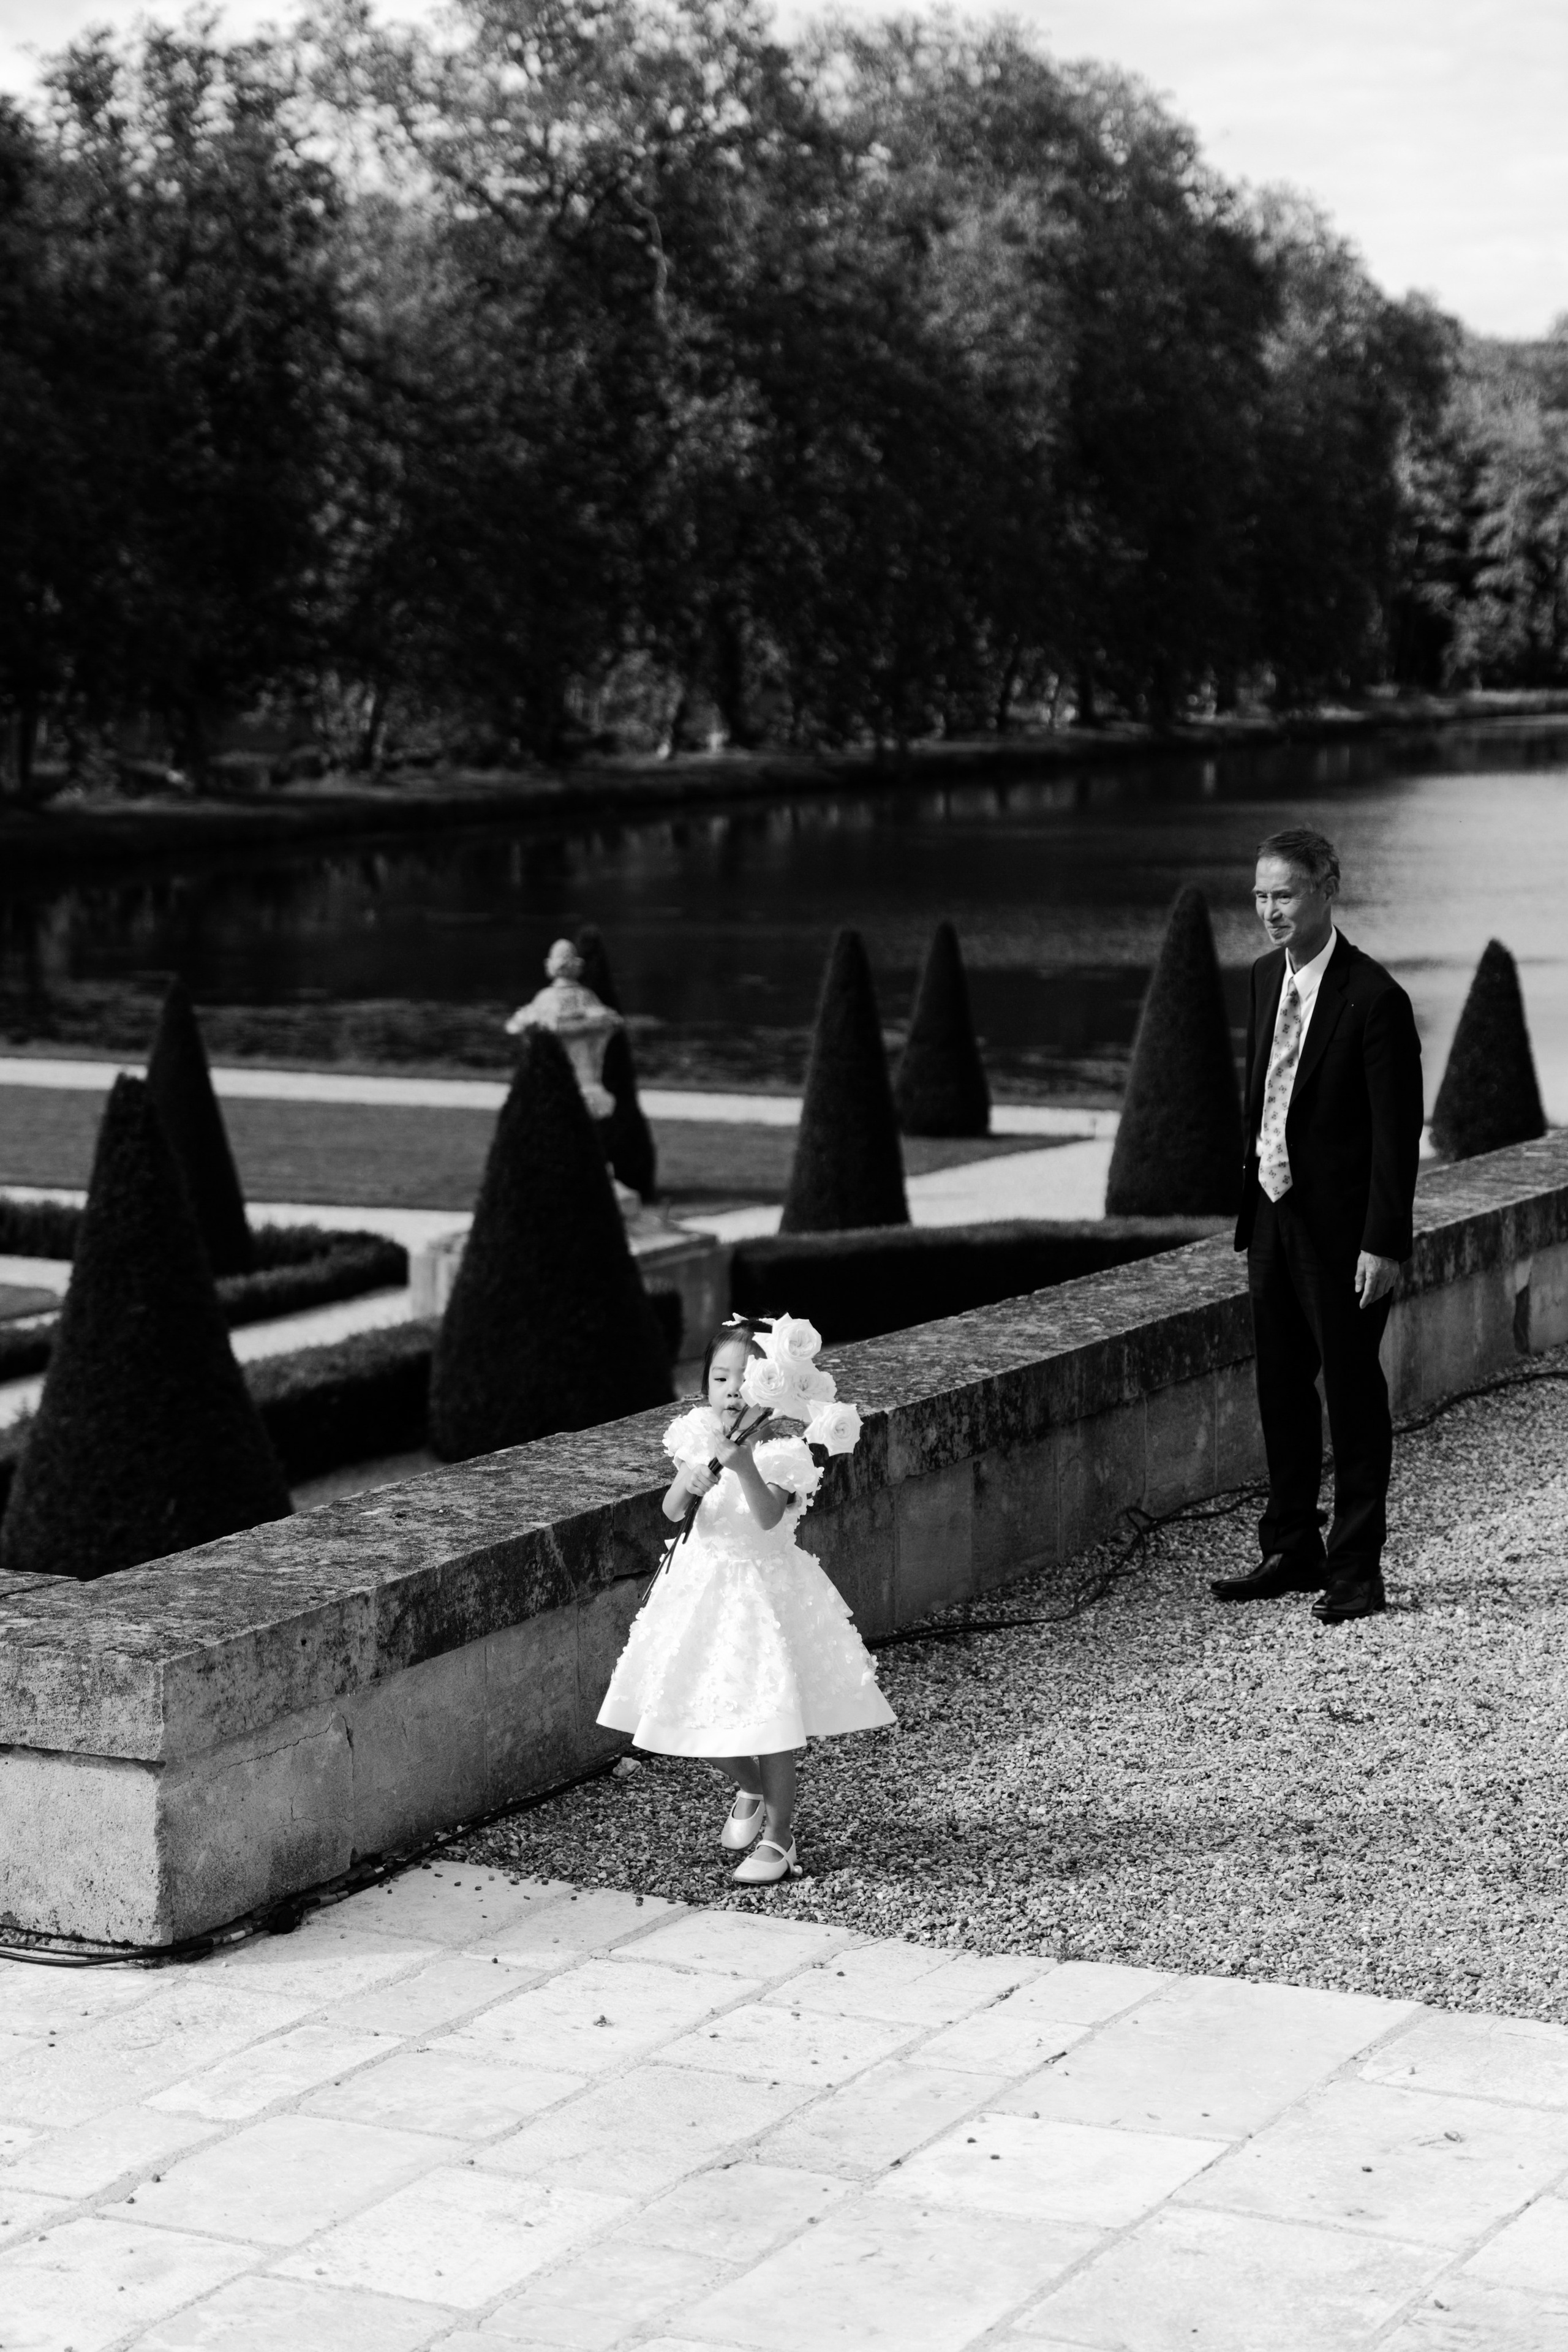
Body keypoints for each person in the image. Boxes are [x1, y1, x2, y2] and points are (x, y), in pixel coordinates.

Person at [1212, 826, 1424, 1624]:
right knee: (1281, 1391)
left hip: (1344, 1238)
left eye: (1285, 895)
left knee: (1354, 1398)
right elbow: (1264, 1094)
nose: (1269, 911)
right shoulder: (1267, 977)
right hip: (1270, 1218)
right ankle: (1292, 1546)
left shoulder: (1376, 999)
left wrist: (1385, 1241)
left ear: (1327, 887)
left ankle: (1356, 1571)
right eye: (1261, 895)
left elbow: (1394, 1138)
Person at [597, 1316, 895, 1883]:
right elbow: (671, 1512)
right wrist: (691, 1481)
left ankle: (780, 1836)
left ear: (774, 1384)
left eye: (747, 1377)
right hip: (698, 1590)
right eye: (719, 1377)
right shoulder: (696, 1433)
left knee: (770, 1716)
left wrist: (741, 1467)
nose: (731, 1390)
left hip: (762, 1596)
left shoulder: (788, 1450)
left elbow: (766, 1518)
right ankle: (750, 1786)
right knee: (680, 1701)